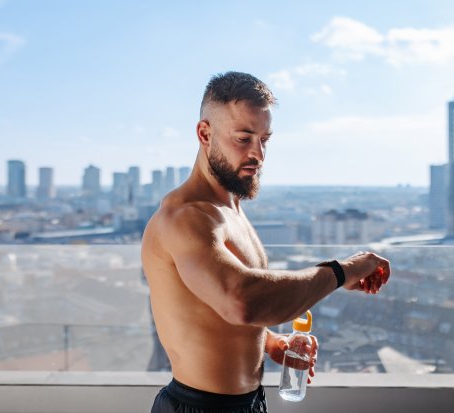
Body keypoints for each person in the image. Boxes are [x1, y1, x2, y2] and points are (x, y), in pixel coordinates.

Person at [141, 71, 391, 413]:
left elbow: (211, 311)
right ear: (204, 133)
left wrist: (270, 343)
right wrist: (341, 272)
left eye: (264, 139)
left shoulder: (230, 210)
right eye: (244, 138)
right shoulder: (187, 217)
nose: (258, 153)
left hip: (248, 403)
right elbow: (241, 302)